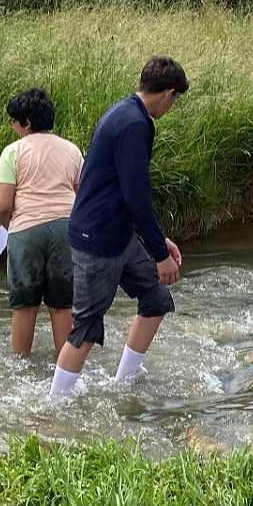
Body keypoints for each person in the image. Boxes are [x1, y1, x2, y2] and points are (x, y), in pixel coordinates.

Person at [51, 56, 188, 398]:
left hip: (116, 235)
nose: (173, 106)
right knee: (85, 328)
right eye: (176, 100)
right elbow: (136, 195)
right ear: (169, 93)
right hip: (98, 239)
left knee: (156, 299)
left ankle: (124, 385)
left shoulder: (124, 111)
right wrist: (160, 253)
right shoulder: (135, 125)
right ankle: (54, 405)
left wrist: (160, 238)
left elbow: (121, 190)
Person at [0, 87, 84, 356]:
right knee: (63, 305)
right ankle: (66, 370)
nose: (13, 128)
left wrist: (10, 227)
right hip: (66, 229)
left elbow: (4, 205)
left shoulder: (12, 152)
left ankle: (21, 368)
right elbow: (83, 197)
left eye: (14, 122)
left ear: (27, 123)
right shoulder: (72, 150)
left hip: (26, 230)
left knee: (25, 307)